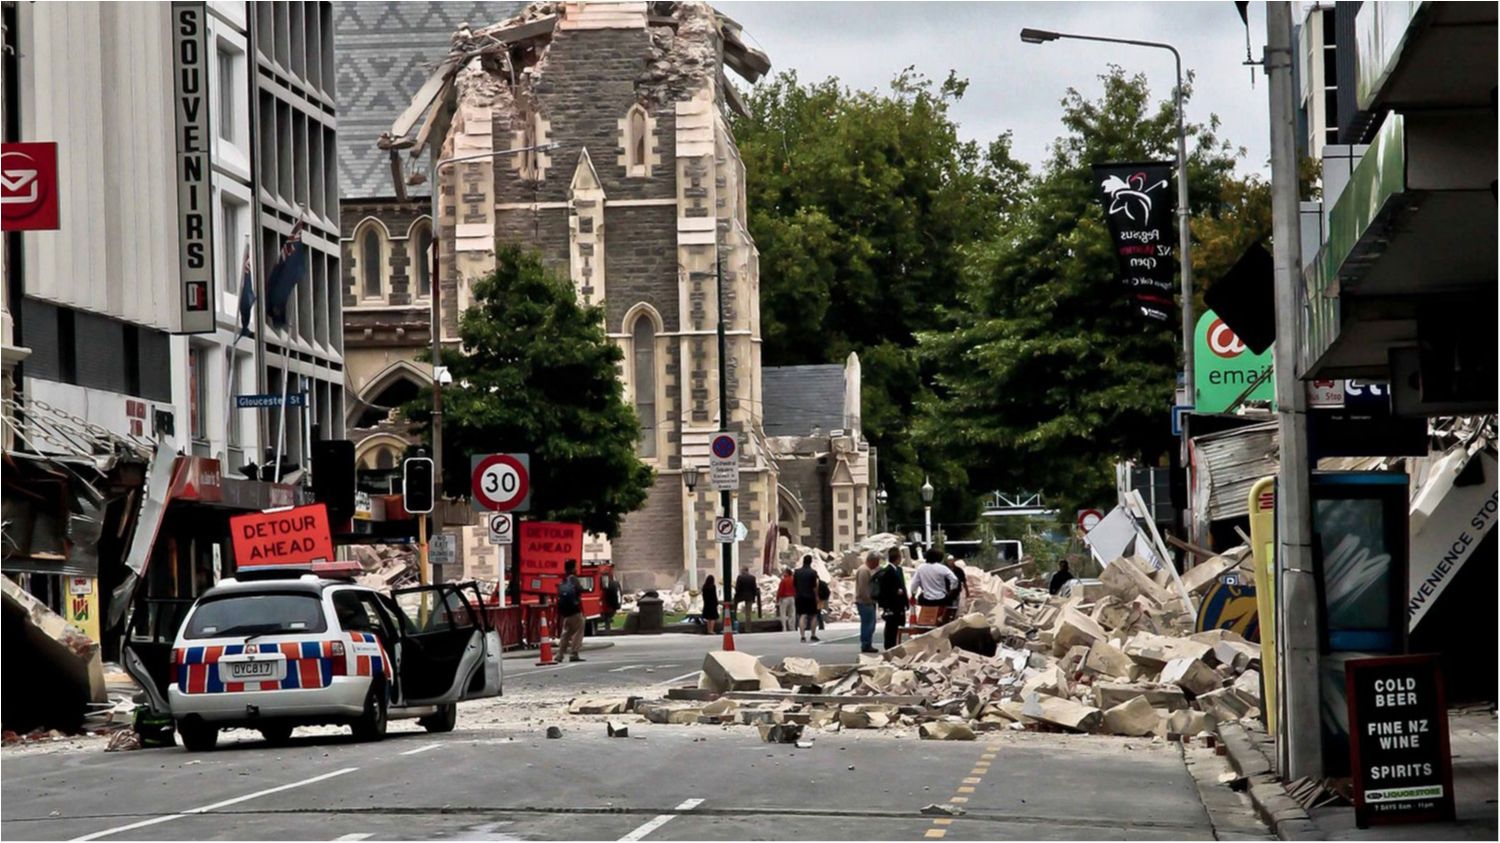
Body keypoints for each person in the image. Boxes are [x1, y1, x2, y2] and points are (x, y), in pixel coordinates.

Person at [877, 547, 909, 650]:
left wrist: (905, 601)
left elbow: (903, 585)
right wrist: (895, 591)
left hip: (899, 604)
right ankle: (889, 647)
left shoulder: (899, 570)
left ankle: (895, 646)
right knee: (891, 627)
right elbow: (884, 589)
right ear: (898, 558)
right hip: (891, 604)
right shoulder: (887, 571)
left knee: (897, 627)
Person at [556, 559, 586, 662]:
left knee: (566, 633)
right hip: (575, 610)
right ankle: (574, 653)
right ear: (573, 568)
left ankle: (559, 655)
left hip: (566, 612)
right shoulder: (574, 579)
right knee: (578, 630)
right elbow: (580, 590)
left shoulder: (563, 580)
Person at [911, 548, 959, 613]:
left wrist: (913, 594)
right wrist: (951, 590)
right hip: (941, 598)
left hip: (926, 599)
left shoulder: (921, 568)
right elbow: (954, 579)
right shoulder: (942, 568)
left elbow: (914, 583)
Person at [854, 551, 880, 653]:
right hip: (865, 602)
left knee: (870, 624)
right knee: (868, 624)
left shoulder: (866, 570)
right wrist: (868, 600)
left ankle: (867, 643)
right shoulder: (864, 571)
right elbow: (863, 588)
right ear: (872, 561)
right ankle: (866, 644)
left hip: (867, 601)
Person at [792, 555, 820, 642]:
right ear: (811, 562)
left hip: (799, 596)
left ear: (803, 561)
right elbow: (814, 587)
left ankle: (802, 636)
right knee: (814, 615)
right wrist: (817, 597)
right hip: (810, 596)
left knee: (802, 615)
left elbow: (794, 585)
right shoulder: (813, 572)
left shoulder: (797, 572)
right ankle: (813, 634)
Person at [733, 567, 758, 633]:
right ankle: (748, 629)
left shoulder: (740, 577)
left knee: (733, 607)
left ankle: (734, 619)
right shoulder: (752, 578)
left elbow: (737, 588)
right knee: (748, 613)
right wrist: (753, 598)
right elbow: (754, 588)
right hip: (749, 596)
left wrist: (737, 594)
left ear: (743, 571)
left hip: (740, 596)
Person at [776, 567, 796, 631]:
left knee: (783, 613)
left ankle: (784, 627)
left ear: (786, 573)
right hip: (792, 598)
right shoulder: (793, 580)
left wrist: (778, 599)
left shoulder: (783, 580)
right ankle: (792, 627)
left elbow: (780, 590)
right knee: (792, 613)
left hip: (784, 598)